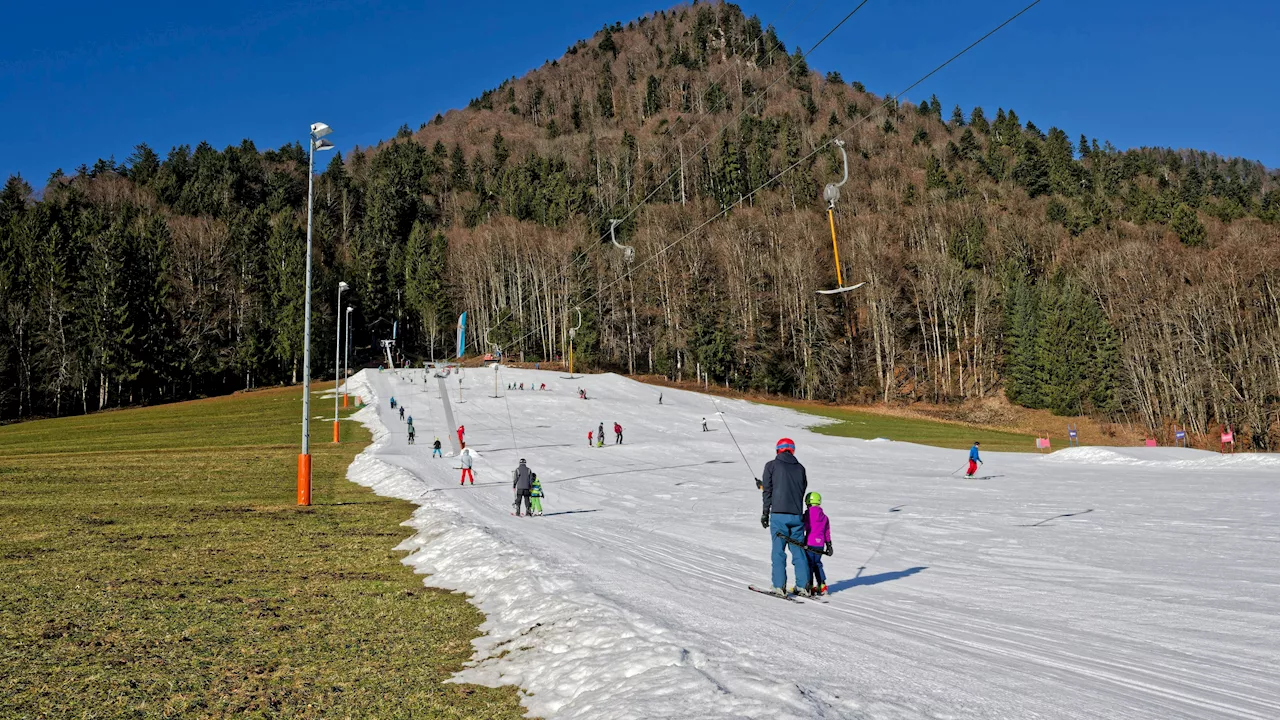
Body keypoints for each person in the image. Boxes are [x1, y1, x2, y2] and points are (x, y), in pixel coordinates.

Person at [761, 438, 810, 596]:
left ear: (778, 450)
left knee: (778, 551)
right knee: (798, 551)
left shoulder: (771, 466)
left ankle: (779, 586)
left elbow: (767, 491)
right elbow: (801, 489)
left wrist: (765, 513)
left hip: (779, 515)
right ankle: (803, 586)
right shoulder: (800, 468)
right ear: (792, 451)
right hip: (796, 515)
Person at [803, 492, 832, 596]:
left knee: (809, 564)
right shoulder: (824, 517)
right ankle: (822, 585)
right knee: (817, 563)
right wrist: (829, 545)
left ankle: (809, 585)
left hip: (809, 543)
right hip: (820, 545)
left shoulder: (807, 514)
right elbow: (827, 532)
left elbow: (804, 526)